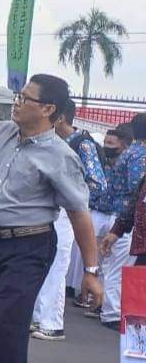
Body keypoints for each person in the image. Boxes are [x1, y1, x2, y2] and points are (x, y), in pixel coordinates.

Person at [0, 74, 103, 363]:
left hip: (28, 249)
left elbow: (79, 213)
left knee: (3, 334)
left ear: (47, 109)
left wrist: (91, 271)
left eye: (24, 98)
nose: (16, 102)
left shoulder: (61, 156)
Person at [36, 97, 106, 337]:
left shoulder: (82, 144)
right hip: (50, 212)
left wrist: (70, 193)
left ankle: (52, 323)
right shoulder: (54, 141)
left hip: (67, 213)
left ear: (61, 117)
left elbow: (98, 183)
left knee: (57, 266)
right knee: (44, 264)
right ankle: (39, 317)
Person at [94, 119, 146, 330]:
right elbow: (137, 192)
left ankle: (110, 310)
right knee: (121, 270)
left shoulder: (132, 151)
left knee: (115, 269)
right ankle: (112, 313)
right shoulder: (140, 155)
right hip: (127, 221)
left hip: (121, 219)